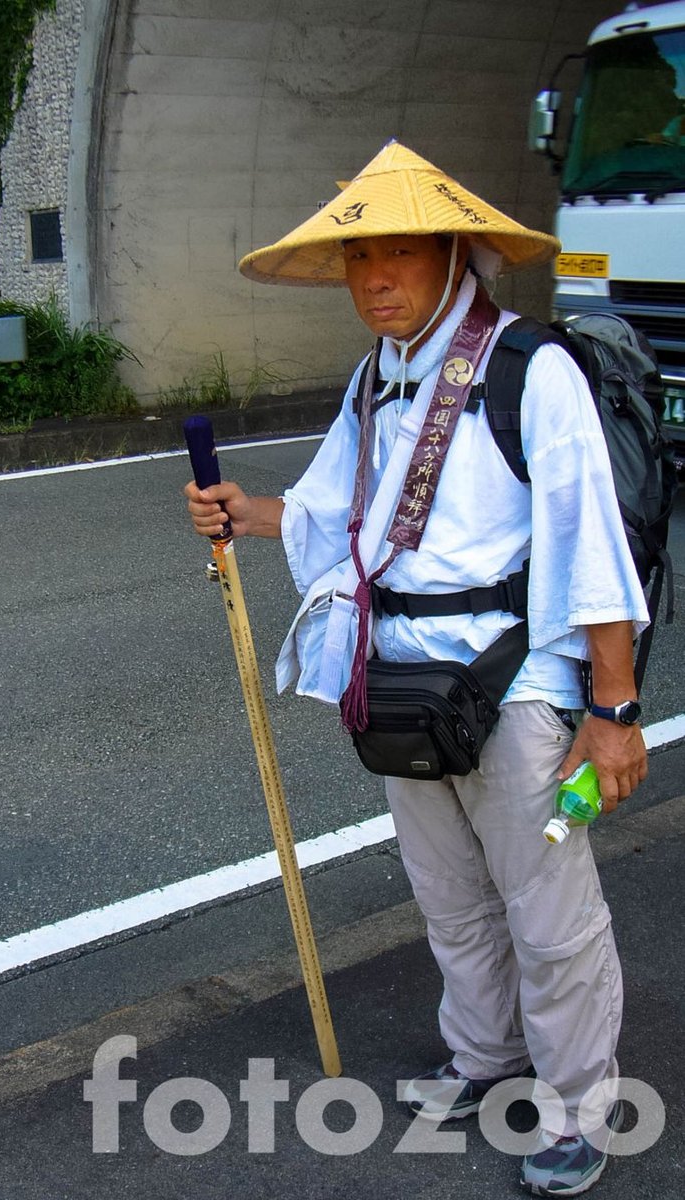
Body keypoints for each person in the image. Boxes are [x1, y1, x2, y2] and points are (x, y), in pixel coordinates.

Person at [184, 142, 649, 1196]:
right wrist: (245, 514)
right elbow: (336, 509)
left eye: (398, 255)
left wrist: (612, 710)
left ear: (452, 256)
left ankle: (579, 1108)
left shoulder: (534, 368)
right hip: (401, 679)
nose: (375, 279)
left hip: (517, 682)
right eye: (358, 261)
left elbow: (594, 548)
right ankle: (485, 1055)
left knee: (547, 909)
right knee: (449, 898)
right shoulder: (375, 379)